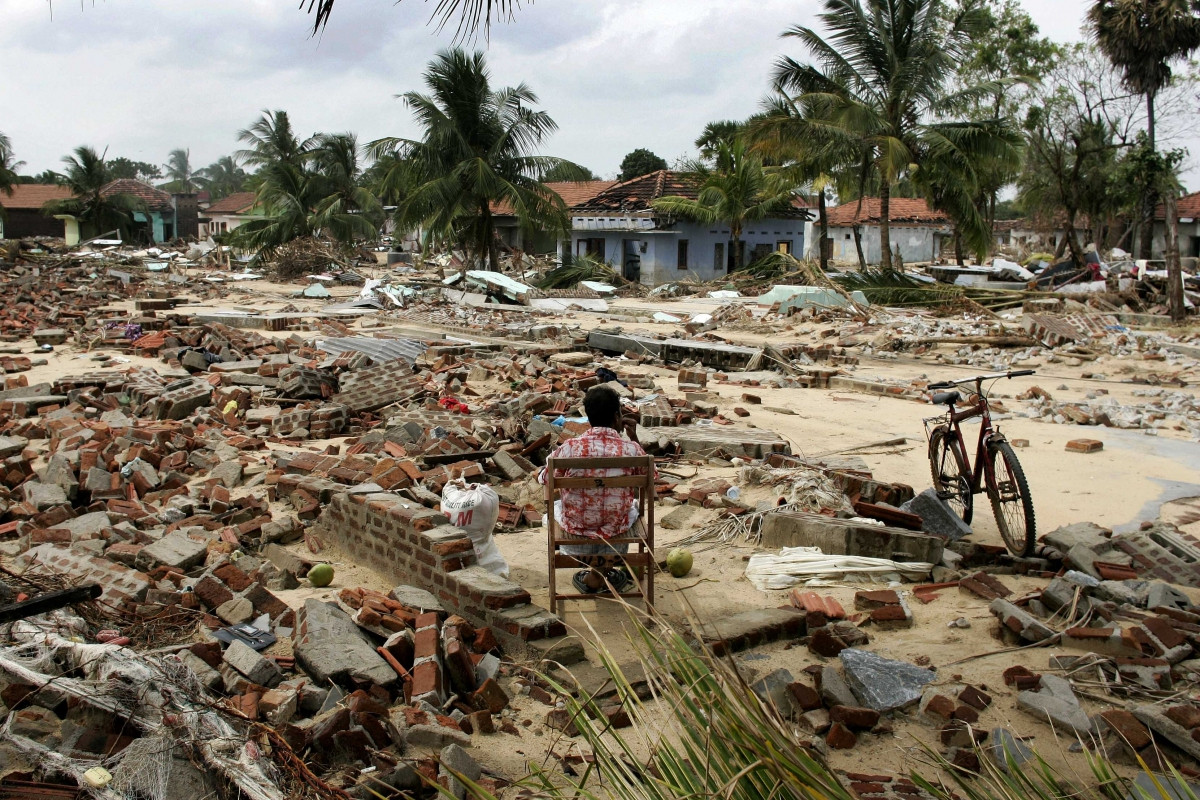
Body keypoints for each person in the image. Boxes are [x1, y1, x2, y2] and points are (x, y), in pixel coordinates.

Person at [538, 385, 652, 594]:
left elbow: (544, 478)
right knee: (629, 508)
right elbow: (651, 478)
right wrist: (633, 438)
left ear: (589, 417)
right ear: (617, 416)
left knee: (554, 506)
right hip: (617, 532)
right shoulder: (631, 450)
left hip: (575, 531)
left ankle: (595, 574)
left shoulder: (570, 448)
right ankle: (601, 572)